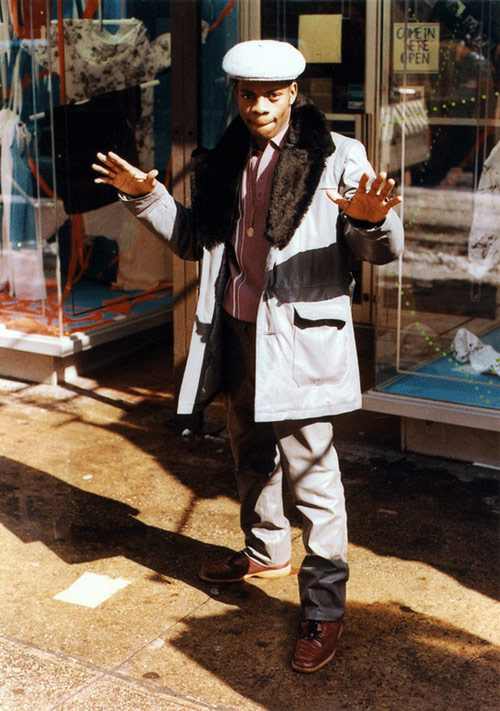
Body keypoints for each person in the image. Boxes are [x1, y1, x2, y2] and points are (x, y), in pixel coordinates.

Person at [93, 40, 404, 673]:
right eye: (246, 94)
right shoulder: (227, 156)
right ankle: (266, 550)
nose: (257, 106)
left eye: (270, 95)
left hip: (300, 341)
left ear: (293, 93)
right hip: (236, 331)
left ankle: (324, 607)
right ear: (237, 95)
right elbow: (194, 242)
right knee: (249, 450)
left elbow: (380, 249)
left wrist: (371, 223)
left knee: (313, 479)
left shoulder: (337, 155)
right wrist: (144, 197)